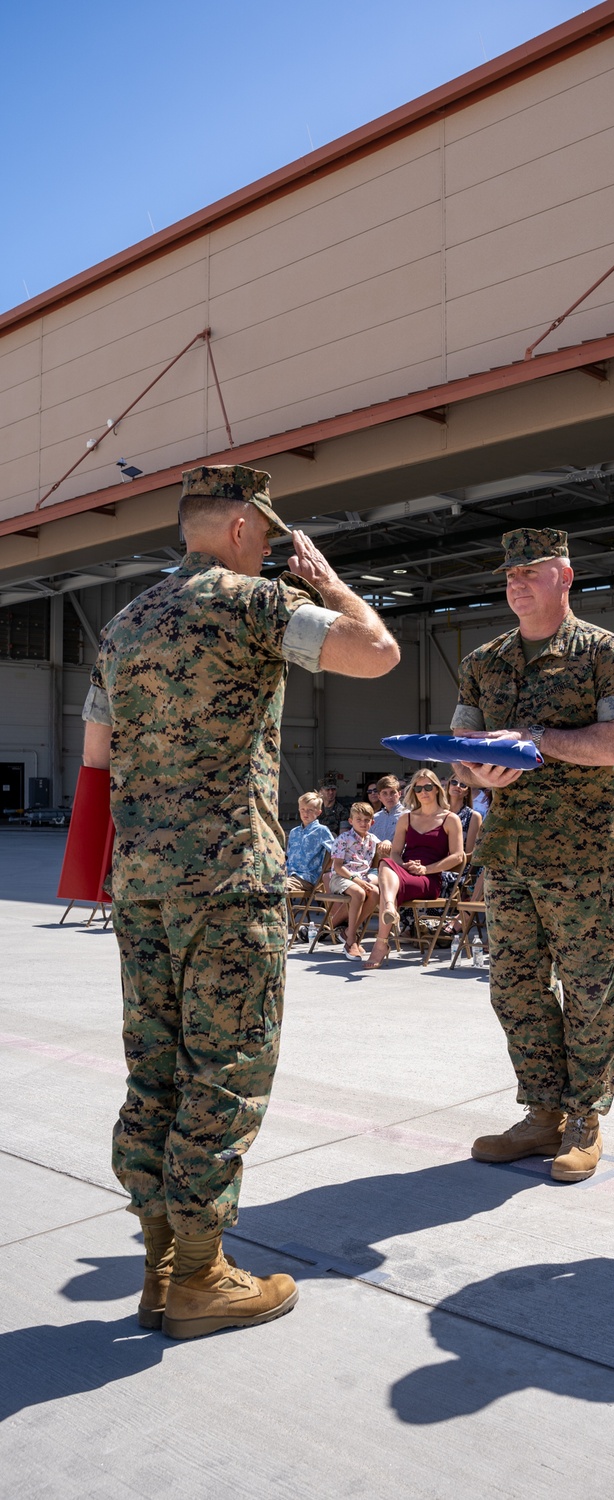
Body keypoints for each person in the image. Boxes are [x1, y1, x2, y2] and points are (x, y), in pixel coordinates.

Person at [81, 463, 399, 1338]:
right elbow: (378, 653)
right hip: (228, 884)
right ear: (241, 530)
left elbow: (97, 755)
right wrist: (330, 585)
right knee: (225, 1074)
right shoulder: (250, 602)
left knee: (156, 1072)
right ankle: (199, 1278)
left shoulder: (122, 623)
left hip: (143, 886)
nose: (269, 551)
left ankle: (155, 1267)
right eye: (266, 537)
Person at [452, 527, 614, 1183]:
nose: (516, 582)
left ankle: (584, 1119)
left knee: (590, 992)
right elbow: (463, 742)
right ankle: (541, 1114)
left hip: (587, 855)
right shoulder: (484, 660)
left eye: (530, 571)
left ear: (565, 576)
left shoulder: (604, 653)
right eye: (509, 573)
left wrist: (532, 738)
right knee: (513, 989)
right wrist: (481, 771)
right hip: (510, 854)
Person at [362, 769, 464, 969]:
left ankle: (381, 943)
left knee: (385, 875)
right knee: (385, 863)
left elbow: (458, 856)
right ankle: (389, 910)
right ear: (414, 792)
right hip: (404, 871)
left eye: (428, 787)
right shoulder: (406, 818)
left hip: (430, 878)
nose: (423, 791)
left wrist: (426, 869)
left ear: (436, 789)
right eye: (418, 788)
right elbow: (396, 853)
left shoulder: (450, 818)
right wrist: (404, 866)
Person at [328, 802, 379, 957]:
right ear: (351, 821)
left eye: (366, 820)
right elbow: (337, 867)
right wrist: (355, 880)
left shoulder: (372, 839)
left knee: (375, 892)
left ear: (372, 822)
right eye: (359, 819)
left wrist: (388, 843)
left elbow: (385, 846)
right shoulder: (344, 838)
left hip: (361, 878)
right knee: (359, 893)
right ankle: (351, 940)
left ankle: (350, 932)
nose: (363, 823)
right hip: (341, 877)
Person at [285, 791, 336, 900]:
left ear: (318, 812)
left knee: (277, 887)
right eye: (302, 809)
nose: (305, 813)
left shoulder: (321, 830)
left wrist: (325, 870)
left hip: (308, 877)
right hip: (289, 874)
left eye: (310, 810)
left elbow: (335, 852)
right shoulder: (294, 832)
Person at [371, 774, 405, 853]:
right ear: (379, 797)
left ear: (399, 794)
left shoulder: (408, 816)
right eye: (384, 793)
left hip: (400, 861)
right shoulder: (374, 818)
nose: (389, 797)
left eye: (392, 792)